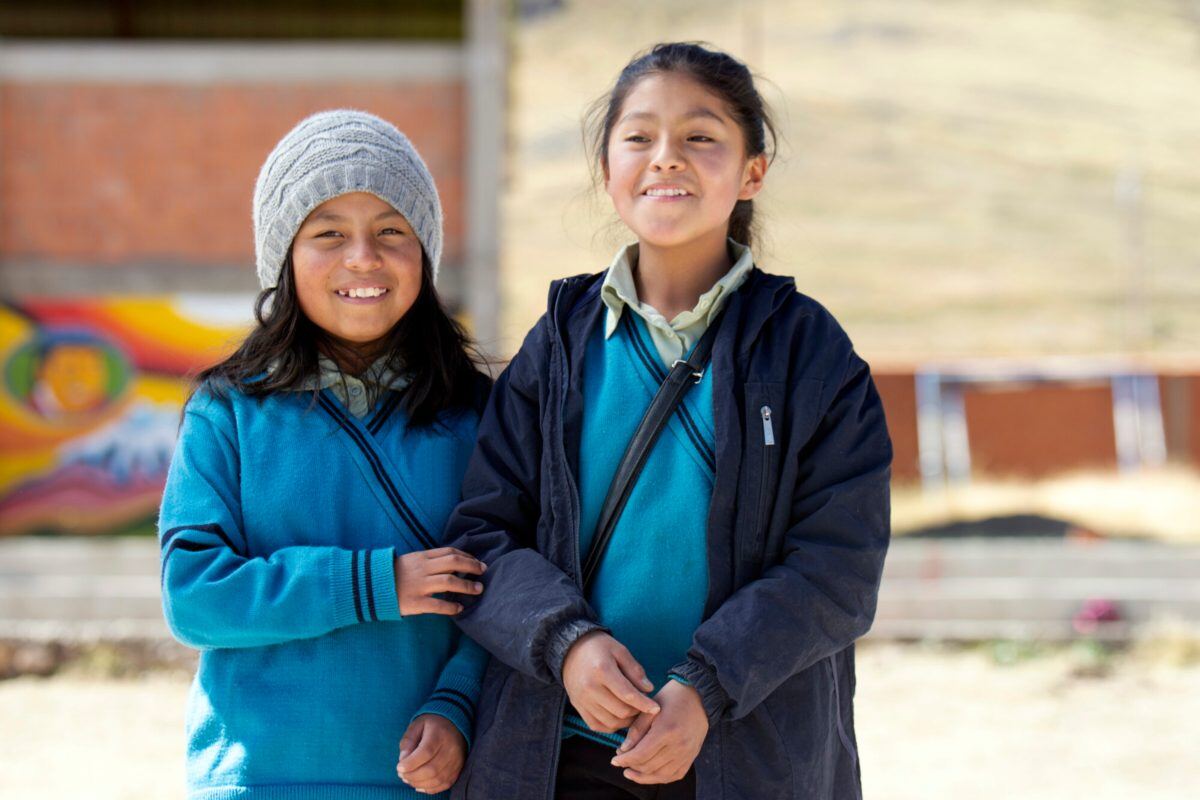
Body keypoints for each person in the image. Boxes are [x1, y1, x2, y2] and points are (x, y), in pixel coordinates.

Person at [445, 43, 893, 799]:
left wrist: (706, 686)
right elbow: (485, 537)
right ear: (607, 167)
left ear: (753, 171)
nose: (666, 159)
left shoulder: (810, 353)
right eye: (639, 137)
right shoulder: (556, 346)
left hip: (745, 757)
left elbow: (838, 570)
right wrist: (568, 643)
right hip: (563, 755)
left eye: (701, 137)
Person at [158, 109, 490, 800]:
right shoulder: (227, 413)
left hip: (426, 784)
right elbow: (194, 598)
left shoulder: (481, 414)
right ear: (284, 255)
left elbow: (508, 592)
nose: (363, 257)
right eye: (328, 233)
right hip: (257, 781)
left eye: (391, 231)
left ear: (424, 252)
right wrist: (376, 584)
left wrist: (457, 706)